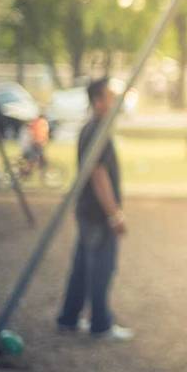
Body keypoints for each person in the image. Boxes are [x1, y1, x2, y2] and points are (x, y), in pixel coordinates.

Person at [56, 78, 133, 341]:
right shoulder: (97, 130)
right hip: (98, 213)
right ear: (99, 101)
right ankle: (100, 324)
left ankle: (69, 317)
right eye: (111, 96)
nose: (116, 101)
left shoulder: (90, 128)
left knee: (81, 267)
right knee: (102, 267)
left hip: (87, 210)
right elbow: (98, 174)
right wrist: (114, 214)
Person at [21, 114, 51, 184]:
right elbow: (38, 136)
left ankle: (41, 176)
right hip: (35, 145)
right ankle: (27, 173)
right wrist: (40, 143)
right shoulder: (40, 123)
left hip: (35, 145)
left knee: (39, 161)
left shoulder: (35, 123)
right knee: (34, 160)